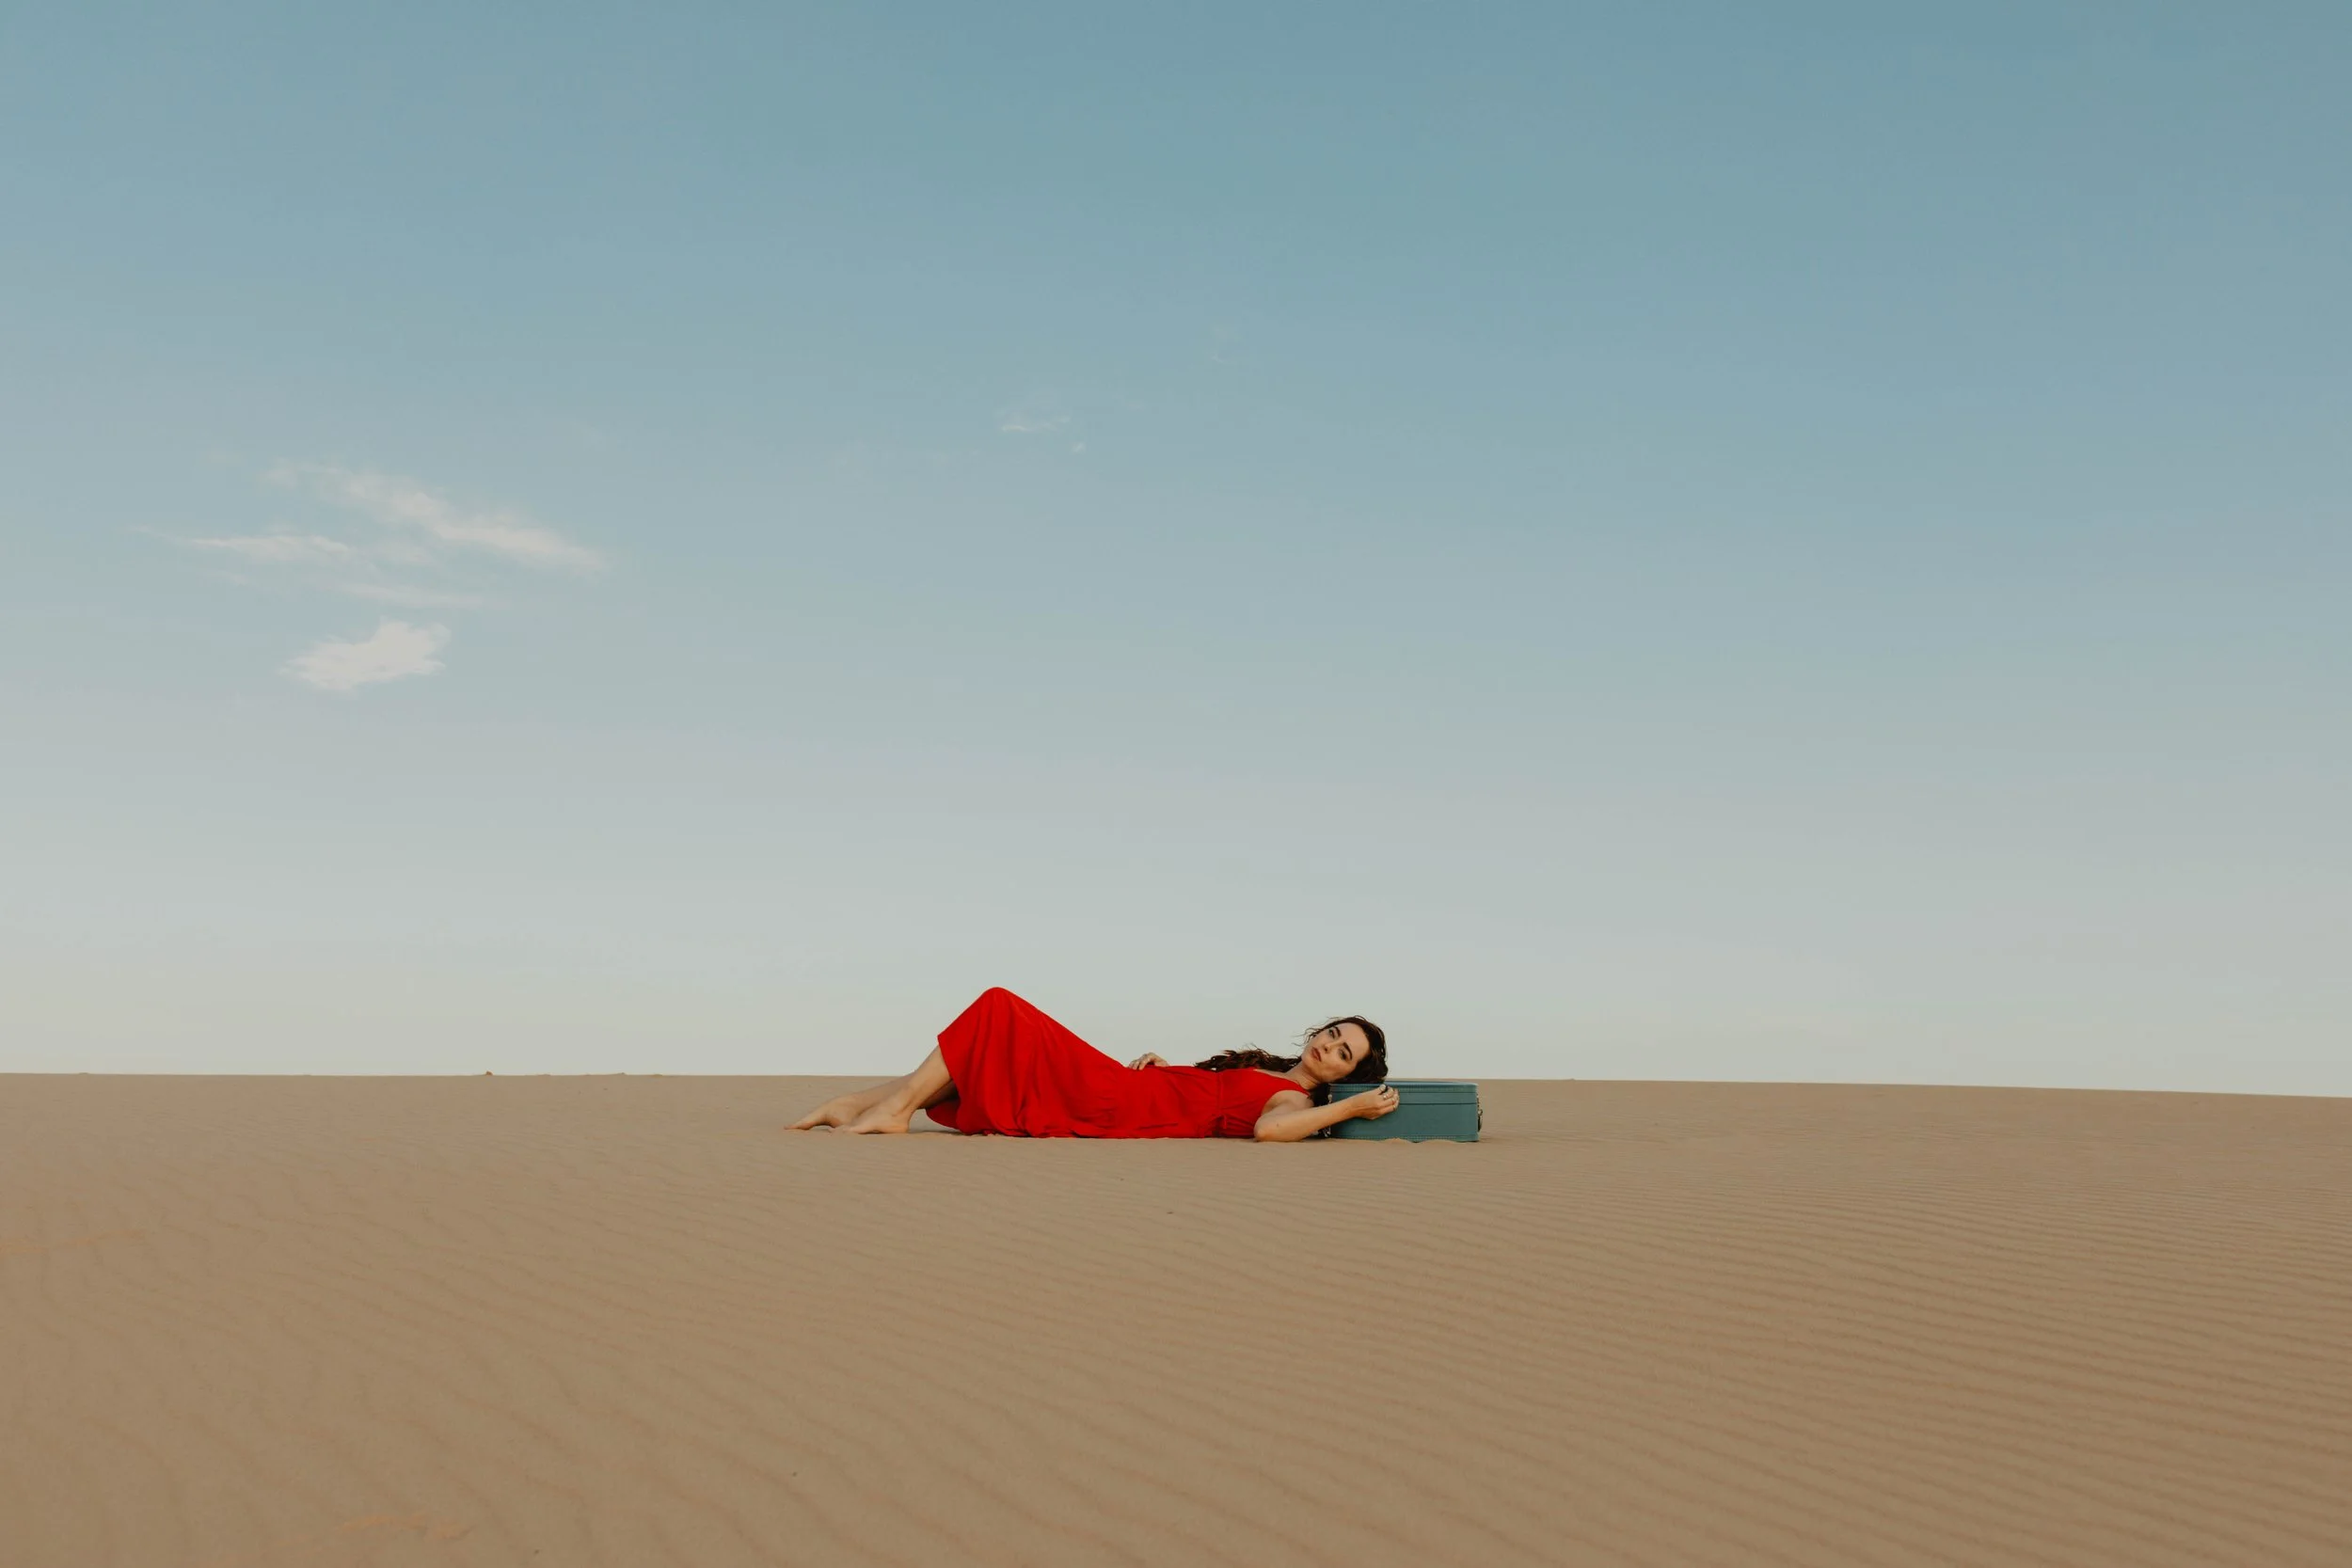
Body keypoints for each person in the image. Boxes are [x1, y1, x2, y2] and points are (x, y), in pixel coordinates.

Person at [787, 987, 1399, 1140]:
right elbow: (1213, 1098)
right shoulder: (1270, 1069)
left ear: (1347, 1075)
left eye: (1344, 1054)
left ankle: (892, 1110)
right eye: (1333, 1033)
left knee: (1001, 1010)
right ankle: (861, 1104)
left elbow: (1268, 1130)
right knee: (993, 1040)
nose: (1329, 1046)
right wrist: (1173, 1068)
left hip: (1115, 1104)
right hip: (1131, 1086)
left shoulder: (1292, 1102)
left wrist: (1348, 1108)